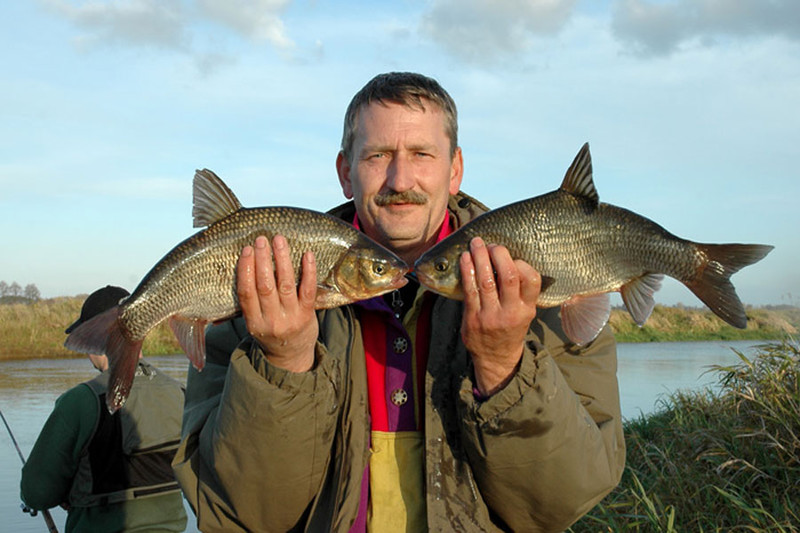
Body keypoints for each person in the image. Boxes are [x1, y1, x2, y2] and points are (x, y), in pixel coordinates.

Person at [174, 72, 625, 532]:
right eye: (378, 156)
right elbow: (238, 514)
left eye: (421, 154)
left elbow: (565, 500)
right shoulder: (253, 304)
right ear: (346, 172)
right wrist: (283, 363)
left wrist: (503, 365)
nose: (400, 178)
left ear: (455, 171)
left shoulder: (548, 289)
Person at [21, 285, 188, 533]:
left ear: (94, 335)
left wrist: (73, 492)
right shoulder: (182, 394)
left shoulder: (80, 401)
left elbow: (36, 493)